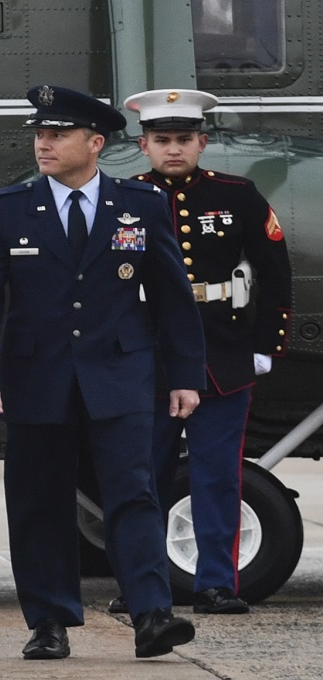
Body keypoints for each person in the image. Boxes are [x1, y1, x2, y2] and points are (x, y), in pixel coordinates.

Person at [0, 85, 206, 660]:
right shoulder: (4, 208)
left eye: (57, 134)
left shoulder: (140, 206)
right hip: (35, 377)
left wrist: (186, 374)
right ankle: (48, 621)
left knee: (134, 495)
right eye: (40, 134)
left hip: (120, 375)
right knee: (38, 502)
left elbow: (172, 297)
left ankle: (152, 615)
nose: (44, 144)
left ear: (95, 143)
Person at [117, 89, 292, 615]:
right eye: (162, 140)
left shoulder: (238, 196)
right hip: (151, 358)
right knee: (143, 475)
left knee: (217, 475)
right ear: (143, 145)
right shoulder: (124, 199)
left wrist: (267, 345)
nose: (174, 149)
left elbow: (275, 274)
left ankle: (216, 582)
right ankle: (140, 586)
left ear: (203, 142)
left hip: (223, 354)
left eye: (184, 139)